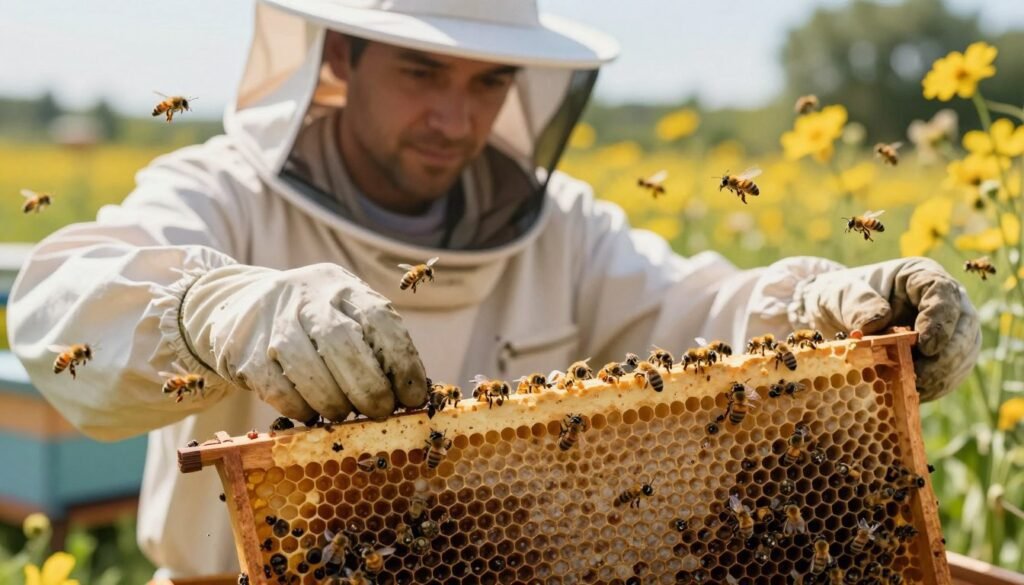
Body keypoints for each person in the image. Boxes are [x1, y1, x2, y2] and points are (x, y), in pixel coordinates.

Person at [7, 0, 980, 578]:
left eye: (488, 83)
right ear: (340, 57)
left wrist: (827, 309)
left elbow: (697, 310)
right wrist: (214, 306)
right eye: (422, 70)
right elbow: (59, 305)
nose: (454, 117)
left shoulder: (560, 228)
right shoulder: (224, 193)